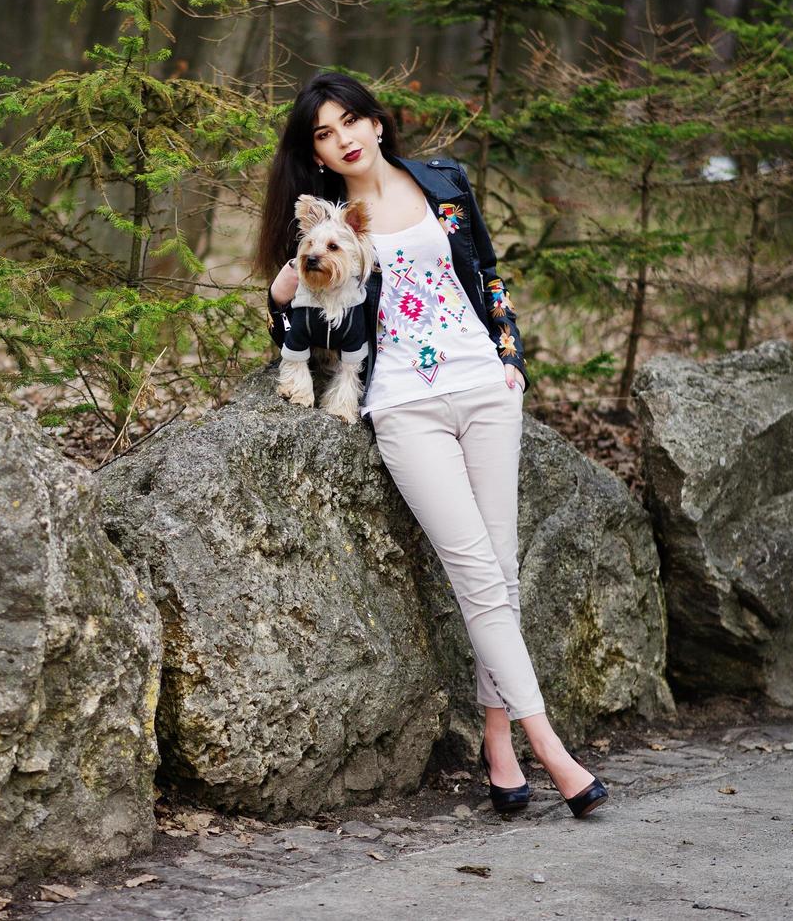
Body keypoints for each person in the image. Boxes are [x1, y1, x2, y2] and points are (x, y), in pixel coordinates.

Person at [256, 72, 608, 819]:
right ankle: (548, 745)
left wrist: (509, 360)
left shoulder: (442, 181)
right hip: (404, 405)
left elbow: (484, 271)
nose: (343, 136)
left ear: (377, 122)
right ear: (314, 151)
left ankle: (499, 746)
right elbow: (295, 307)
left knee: (501, 573)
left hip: (484, 388)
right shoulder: (332, 221)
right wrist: (291, 270)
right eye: (323, 131)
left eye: (351, 119)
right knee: (475, 572)